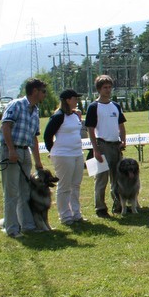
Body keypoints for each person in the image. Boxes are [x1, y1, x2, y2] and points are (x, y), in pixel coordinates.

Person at [0, 78, 48, 237]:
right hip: (10, 151)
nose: (45, 95)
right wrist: (11, 150)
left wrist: (38, 162)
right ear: (34, 91)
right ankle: (11, 228)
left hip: (25, 151)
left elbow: (34, 138)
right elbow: (6, 126)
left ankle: (27, 225)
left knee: (25, 191)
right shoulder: (16, 105)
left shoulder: (36, 110)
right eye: (43, 92)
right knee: (11, 192)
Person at [85, 75, 127, 218]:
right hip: (102, 145)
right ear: (99, 89)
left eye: (110, 87)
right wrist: (95, 149)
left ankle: (118, 205)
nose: (108, 90)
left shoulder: (115, 106)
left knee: (117, 178)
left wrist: (123, 140)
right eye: (105, 88)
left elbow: (121, 125)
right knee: (101, 179)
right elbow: (90, 129)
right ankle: (101, 208)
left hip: (116, 146)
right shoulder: (93, 107)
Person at [44, 89, 86, 226]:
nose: (77, 101)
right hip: (63, 155)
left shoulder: (74, 115)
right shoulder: (58, 116)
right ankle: (65, 216)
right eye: (75, 98)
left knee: (76, 185)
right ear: (67, 100)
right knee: (64, 186)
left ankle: (76, 213)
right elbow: (47, 135)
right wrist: (53, 150)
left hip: (77, 153)